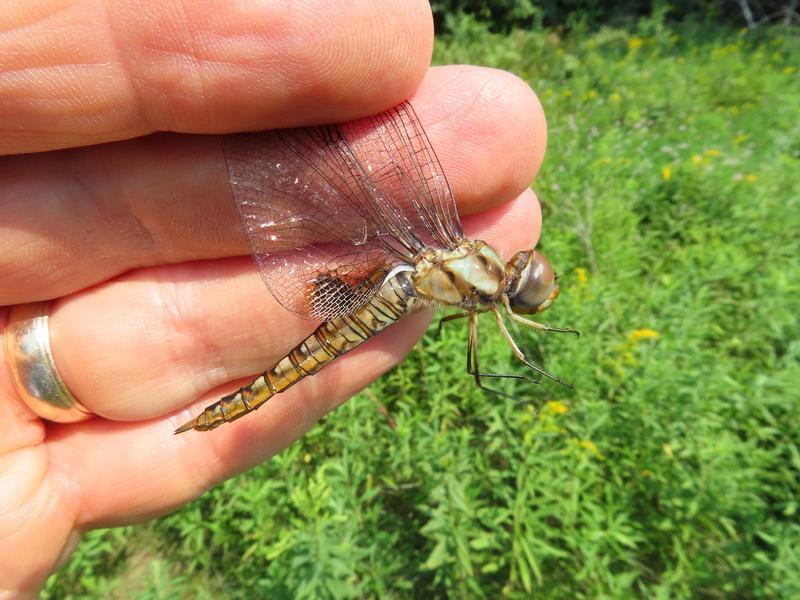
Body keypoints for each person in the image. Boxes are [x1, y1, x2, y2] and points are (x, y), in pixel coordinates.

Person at [0, 0, 548, 593]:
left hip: (380, 288)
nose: (514, 270)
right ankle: (226, 408)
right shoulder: (474, 286)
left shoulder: (464, 268)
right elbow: (490, 362)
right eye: (519, 277)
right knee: (283, 373)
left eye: (516, 275)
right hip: (377, 291)